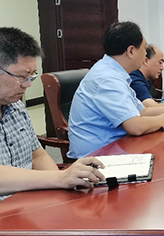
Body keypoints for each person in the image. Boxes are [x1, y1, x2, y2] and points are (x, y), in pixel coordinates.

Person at [68, 22, 164, 159]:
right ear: (131, 51)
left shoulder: (115, 72)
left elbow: (143, 111)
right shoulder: (108, 79)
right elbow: (135, 127)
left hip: (117, 147)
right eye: (144, 49)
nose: (145, 54)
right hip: (96, 158)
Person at [0, 27, 106, 201]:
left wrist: (63, 187)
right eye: (22, 76)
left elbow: (37, 155)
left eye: (31, 76)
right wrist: (59, 178)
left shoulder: (16, 108)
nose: (28, 85)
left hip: (29, 202)